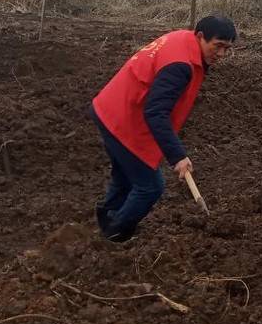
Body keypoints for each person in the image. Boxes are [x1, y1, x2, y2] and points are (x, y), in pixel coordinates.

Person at [90, 16, 237, 242]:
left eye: (227, 48)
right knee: (150, 186)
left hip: (112, 108)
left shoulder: (183, 40)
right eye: (217, 46)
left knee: (125, 176)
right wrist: (177, 156)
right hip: (122, 118)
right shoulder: (180, 65)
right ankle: (114, 235)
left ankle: (106, 217)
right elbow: (156, 112)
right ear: (200, 37)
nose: (221, 54)